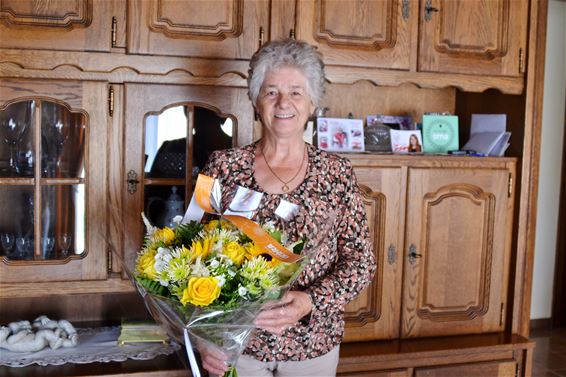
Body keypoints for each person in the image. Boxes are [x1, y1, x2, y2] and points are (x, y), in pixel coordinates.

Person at [200, 38, 376, 377]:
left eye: (296, 92)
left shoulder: (337, 173)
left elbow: (361, 262)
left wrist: (310, 301)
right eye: (271, 92)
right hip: (237, 347)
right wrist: (202, 339)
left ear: (312, 102)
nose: (284, 103)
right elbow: (193, 255)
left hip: (313, 346)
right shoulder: (222, 166)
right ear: (256, 100)